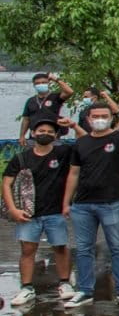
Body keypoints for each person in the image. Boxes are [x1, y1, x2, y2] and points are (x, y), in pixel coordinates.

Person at [62, 101, 119, 307]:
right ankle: (84, 290)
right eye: (95, 116)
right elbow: (73, 173)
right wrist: (66, 202)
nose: (99, 120)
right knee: (84, 249)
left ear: (110, 118)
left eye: (104, 116)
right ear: (88, 119)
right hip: (83, 205)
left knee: (118, 247)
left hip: (112, 202)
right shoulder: (81, 143)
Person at [4, 118, 75, 306]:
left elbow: (86, 143)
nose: (46, 134)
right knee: (27, 250)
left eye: (50, 132)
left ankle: (65, 283)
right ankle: (27, 287)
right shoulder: (21, 158)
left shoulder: (63, 153)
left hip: (55, 211)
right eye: (41, 130)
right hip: (28, 214)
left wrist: (74, 126)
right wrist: (13, 209)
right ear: (33, 133)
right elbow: (7, 183)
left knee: (60, 247)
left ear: (56, 135)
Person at [18, 72, 74, 147]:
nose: (40, 84)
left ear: (48, 84)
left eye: (43, 82)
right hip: (34, 136)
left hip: (52, 136)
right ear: (34, 85)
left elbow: (69, 92)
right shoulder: (30, 101)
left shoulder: (56, 97)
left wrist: (55, 79)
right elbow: (26, 119)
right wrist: (22, 136)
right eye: (37, 83)